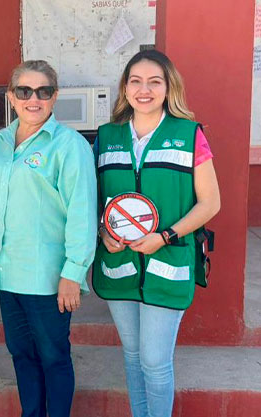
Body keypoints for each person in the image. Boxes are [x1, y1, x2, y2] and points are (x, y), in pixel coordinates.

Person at [92, 49, 220, 417]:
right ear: (125, 88)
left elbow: (210, 203)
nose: (144, 90)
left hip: (167, 264)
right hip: (120, 265)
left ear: (168, 87)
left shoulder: (189, 135)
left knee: (154, 361)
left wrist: (165, 237)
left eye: (154, 82)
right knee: (133, 357)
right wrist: (102, 231)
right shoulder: (106, 136)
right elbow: (93, 198)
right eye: (135, 81)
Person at [0, 60, 97, 417]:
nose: (34, 99)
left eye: (43, 91)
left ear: (54, 97)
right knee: (22, 355)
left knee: (53, 357)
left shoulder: (70, 145)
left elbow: (82, 212)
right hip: (7, 272)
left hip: (47, 276)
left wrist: (73, 273)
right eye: (24, 91)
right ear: (11, 96)